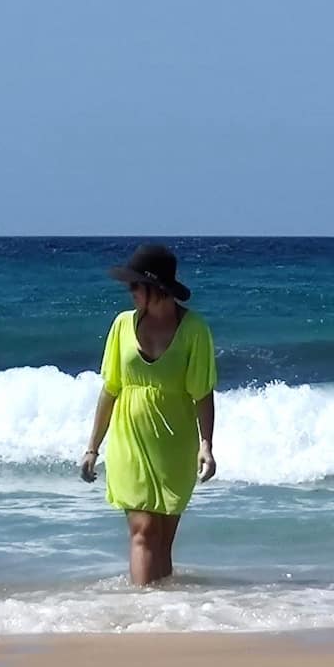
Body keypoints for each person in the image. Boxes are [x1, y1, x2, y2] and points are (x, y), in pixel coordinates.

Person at [81, 244, 217, 585]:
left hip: (175, 442)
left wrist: (207, 444)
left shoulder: (194, 329)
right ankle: (143, 610)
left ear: (155, 287)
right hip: (130, 440)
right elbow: (110, 389)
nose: (129, 293)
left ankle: (162, 618)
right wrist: (92, 448)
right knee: (143, 531)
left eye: (134, 286)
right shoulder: (122, 326)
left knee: (163, 539)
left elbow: (202, 392)